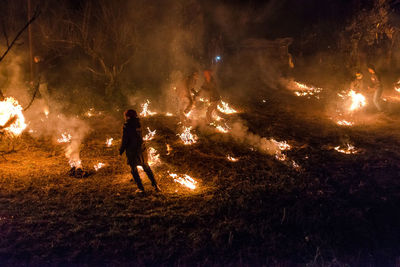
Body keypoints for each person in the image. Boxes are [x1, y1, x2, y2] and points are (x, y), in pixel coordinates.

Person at [119, 109, 161, 193]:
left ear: (127, 116)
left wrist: (121, 150)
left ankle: (141, 188)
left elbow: (125, 139)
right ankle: (155, 185)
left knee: (134, 169)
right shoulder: (138, 123)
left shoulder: (127, 126)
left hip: (132, 150)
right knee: (146, 167)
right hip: (141, 149)